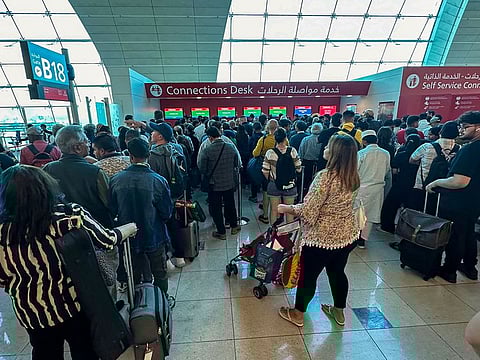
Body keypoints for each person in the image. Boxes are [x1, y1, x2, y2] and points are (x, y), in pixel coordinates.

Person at [0, 165, 136, 360]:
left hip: (31, 312)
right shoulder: (68, 218)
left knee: (44, 352)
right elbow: (106, 240)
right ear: (45, 189)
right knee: (84, 350)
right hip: (72, 304)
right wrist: (129, 228)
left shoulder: (3, 234)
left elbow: (3, 279)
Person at [277, 134, 360, 328]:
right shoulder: (353, 176)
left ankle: (297, 314)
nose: (324, 148)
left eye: (328, 146)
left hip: (320, 239)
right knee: (338, 273)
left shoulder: (325, 177)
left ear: (335, 153)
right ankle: (339, 312)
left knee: (308, 276)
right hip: (346, 236)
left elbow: (309, 212)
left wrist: (287, 208)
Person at [110, 138, 174, 296]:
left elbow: (112, 210)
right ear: (148, 154)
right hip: (154, 234)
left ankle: (138, 303)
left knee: (134, 273)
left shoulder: (116, 179)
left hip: (128, 237)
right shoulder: (158, 180)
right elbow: (166, 212)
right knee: (159, 272)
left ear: (130, 156)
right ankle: (161, 302)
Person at [426, 111, 480, 283]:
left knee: (455, 236)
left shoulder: (470, 150)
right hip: (475, 200)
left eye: (465, 127)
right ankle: (470, 268)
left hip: (459, 200)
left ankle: (449, 270)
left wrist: (437, 182)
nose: (461, 131)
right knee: (469, 233)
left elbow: (460, 181)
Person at [43, 125, 113, 228]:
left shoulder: (47, 169)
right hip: (95, 229)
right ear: (77, 148)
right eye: (86, 141)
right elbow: (109, 203)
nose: (88, 144)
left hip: (61, 229)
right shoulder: (95, 172)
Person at [198, 127, 241, 240]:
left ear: (210, 137)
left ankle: (221, 232)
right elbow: (236, 163)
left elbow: (202, 168)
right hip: (229, 182)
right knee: (230, 204)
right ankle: (234, 226)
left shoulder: (207, 150)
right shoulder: (231, 147)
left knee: (216, 208)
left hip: (214, 184)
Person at [409, 121, 460, 213]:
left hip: (422, 186)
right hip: (446, 188)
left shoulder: (427, 146)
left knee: (418, 215)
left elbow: (412, 160)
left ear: (440, 132)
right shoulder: (459, 149)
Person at [357, 130, 392, 248]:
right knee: (370, 216)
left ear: (364, 141)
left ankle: (355, 237)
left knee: (358, 213)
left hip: (362, 188)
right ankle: (363, 240)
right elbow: (387, 170)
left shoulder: (361, 153)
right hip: (378, 188)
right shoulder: (386, 153)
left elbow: (355, 171)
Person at [380, 134, 421, 235]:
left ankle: (387, 227)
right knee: (410, 209)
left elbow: (394, 171)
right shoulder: (420, 157)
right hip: (414, 185)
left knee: (390, 206)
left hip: (400, 183)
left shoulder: (401, 154)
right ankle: (408, 232)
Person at [262, 128, 302, 224]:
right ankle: (288, 235)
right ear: (286, 138)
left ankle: (274, 234)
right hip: (290, 184)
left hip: (274, 184)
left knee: (274, 211)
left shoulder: (270, 152)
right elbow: (299, 168)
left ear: (275, 139)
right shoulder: (292, 151)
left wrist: (272, 179)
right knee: (289, 211)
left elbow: (265, 170)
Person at [298, 123, 323, 196]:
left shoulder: (306, 139)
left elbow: (301, 152)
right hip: (318, 164)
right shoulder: (322, 140)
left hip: (306, 163)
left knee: (305, 182)